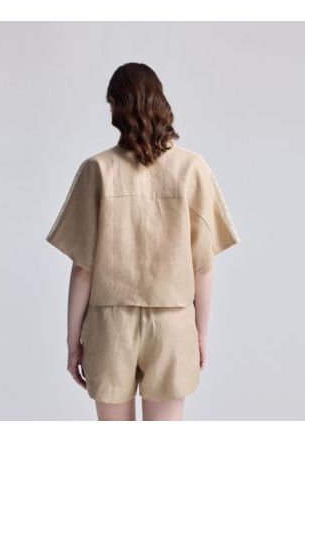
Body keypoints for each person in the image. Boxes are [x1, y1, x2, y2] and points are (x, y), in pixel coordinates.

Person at [46, 62, 239, 421]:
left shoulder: (97, 170)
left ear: (115, 108)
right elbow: (202, 266)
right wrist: (199, 334)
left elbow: (84, 269)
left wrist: (73, 343)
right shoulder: (192, 168)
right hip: (173, 323)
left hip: (109, 325)